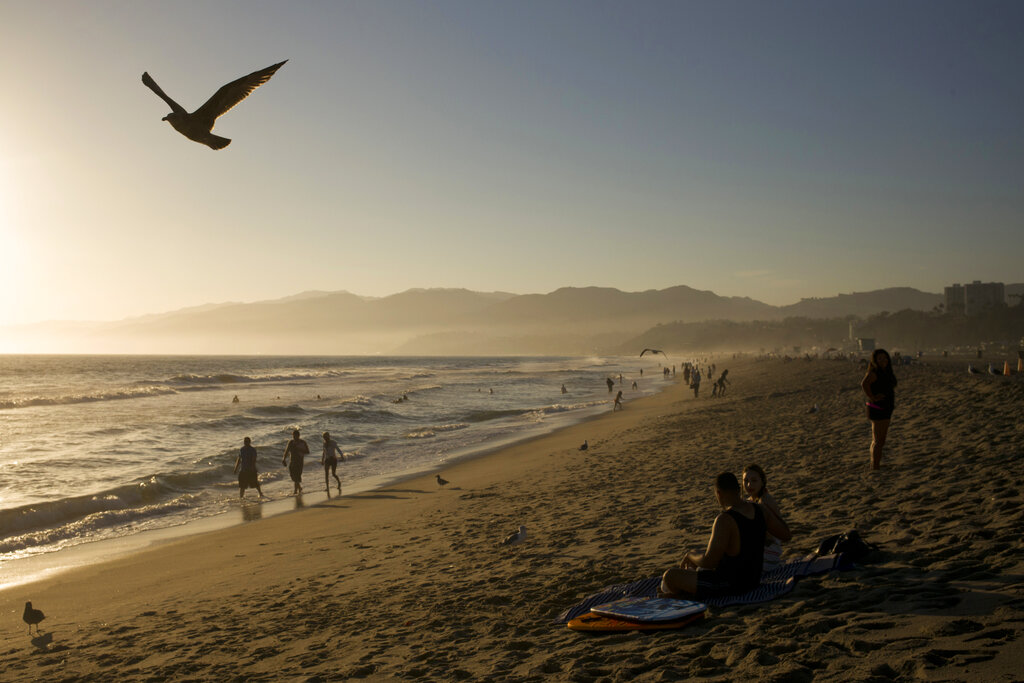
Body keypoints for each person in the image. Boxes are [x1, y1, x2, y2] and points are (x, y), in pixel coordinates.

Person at [660, 472, 791, 599]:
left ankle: (681, 596)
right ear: (739, 489)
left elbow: (709, 562)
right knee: (695, 566)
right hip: (753, 579)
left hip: (730, 585)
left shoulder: (724, 519)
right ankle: (681, 594)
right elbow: (786, 535)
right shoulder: (760, 509)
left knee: (670, 576)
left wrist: (690, 554)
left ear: (719, 493)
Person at [861, 348, 897, 470]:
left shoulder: (886, 371)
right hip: (877, 407)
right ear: (875, 360)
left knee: (879, 440)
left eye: (885, 358)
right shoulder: (874, 372)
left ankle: (874, 464)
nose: (883, 360)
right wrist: (872, 397)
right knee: (878, 440)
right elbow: (864, 384)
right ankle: (875, 466)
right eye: (880, 358)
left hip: (886, 407)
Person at [742, 464, 783, 569]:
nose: (749, 484)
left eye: (754, 481)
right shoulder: (750, 501)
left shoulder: (765, 500)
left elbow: (768, 537)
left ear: (762, 482)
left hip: (768, 555)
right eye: (745, 481)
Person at [282, 429, 310, 494]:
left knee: (297, 476)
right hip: (292, 461)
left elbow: (307, 451)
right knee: (292, 476)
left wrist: (299, 449)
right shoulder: (290, 442)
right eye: (293, 436)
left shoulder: (303, 442)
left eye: (295, 436)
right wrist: (283, 459)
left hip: (299, 461)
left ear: (299, 436)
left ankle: (295, 491)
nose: (294, 437)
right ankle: (299, 488)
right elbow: (287, 451)